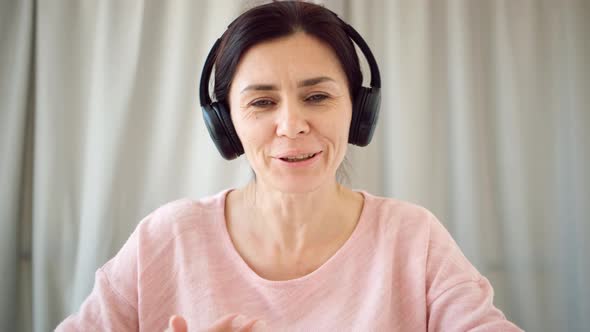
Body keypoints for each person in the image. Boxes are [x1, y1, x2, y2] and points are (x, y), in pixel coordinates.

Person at [57, 1, 522, 331]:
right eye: (262, 102)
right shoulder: (165, 239)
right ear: (225, 121)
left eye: (317, 96)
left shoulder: (413, 239)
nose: (292, 125)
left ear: (359, 110)